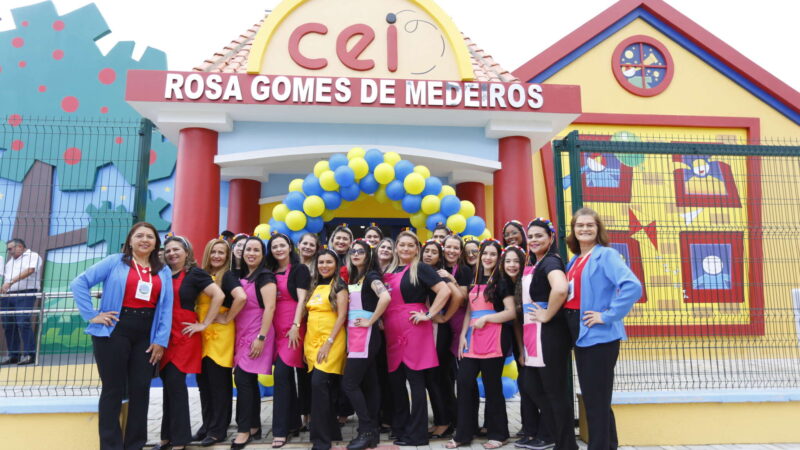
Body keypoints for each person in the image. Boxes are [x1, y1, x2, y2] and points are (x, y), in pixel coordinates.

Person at [71, 222, 173, 450]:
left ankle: (135, 444)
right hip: (114, 330)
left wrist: (160, 340)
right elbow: (79, 283)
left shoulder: (162, 270)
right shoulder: (115, 262)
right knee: (113, 389)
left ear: (156, 242)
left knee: (140, 389)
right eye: (139, 236)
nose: (145, 240)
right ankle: (111, 446)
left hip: (146, 334)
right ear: (130, 240)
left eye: (150, 236)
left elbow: (166, 307)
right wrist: (92, 315)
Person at [564, 208, 641, 450]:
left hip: (600, 335)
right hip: (580, 333)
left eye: (590, 225)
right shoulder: (575, 260)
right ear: (573, 231)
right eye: (579, 225)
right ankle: (608, 444)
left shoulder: (606, 255)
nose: (584, 229)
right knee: (596, 397)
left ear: (598, 230)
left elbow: (632, 286)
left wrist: (607, 315)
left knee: (596, 398)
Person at [154, 235, 224, 450]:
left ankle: (180, 440)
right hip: (165, 334)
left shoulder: (195, 274)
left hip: (184, 335)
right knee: (168, 387)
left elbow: (218, 295)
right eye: (168, 250)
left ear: (187, 252)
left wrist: (203, 324)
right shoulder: (162, 274)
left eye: (176, 250)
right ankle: (166, 437)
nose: (172, 253)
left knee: (176, 385)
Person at [383, 230, 449, 446]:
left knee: (416, 382)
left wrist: (429, 315)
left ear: (416, 249)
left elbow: (444, 291)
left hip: (415, 329)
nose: (405, 249)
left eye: (410, 245)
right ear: (396, 248)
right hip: (393, 331)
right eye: (401, 245)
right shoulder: (388, 270)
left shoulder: (420, 268)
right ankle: (401, 428)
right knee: (396, 382)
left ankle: (418, 434)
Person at [449, 240, 516, 449]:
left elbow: (511, 312)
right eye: (484, 253)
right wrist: (463, 335)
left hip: (494, 337)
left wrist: (487, 319)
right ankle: (463, 434)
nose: (488, 257)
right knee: (465, 382)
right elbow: (469, 310)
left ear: (499, 258)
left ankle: (499, 433)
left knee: (492, 386)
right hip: (472, 337)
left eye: (493, 254)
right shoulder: (474, 279)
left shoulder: (503, 282)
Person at [517, 218, 574, 450]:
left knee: (554, 392)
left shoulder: (551, 261)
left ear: (551, 238)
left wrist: (548, 314)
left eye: (539, 236)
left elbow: (561, 288)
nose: (533, 240)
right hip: (534, 335)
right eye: (530, 237)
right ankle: (552, 434)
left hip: (548, 334)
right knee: (533, 386)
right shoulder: (537, 262)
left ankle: (566, 444)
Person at [193, 238, 247, 447]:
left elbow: (241, 297)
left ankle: (218, 430)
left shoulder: (228, 276)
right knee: (203, 384)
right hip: (201, 335)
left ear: (228, 256)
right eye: (213, 252)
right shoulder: (202, 274)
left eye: (221, 253)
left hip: (219, 336)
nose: (217, 256)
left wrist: (227, 317)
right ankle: (207, 425)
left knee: (219, 385)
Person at [342, 239, 391, 450]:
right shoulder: (356, 276)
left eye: (361, 251)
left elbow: (386, 297)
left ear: (369, 255)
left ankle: (366, 429)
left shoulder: (371, 276)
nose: (356, 254)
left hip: (366, 336)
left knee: (350, 383)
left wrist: (371, 320)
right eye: (353, 251)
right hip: (355, 335)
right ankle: (372, 433)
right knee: (370, 384)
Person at [232, 237, 277, 449]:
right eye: (248, 249)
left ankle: (243, 431)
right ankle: (254, 426)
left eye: (256, 250)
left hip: (257, 332)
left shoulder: (265, 276)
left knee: (243, 380)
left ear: (262, 254)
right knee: (247, 382)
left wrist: (261, 337)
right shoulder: (242, 275)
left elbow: (270, 308)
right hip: (241, 333)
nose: (251, 253)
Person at [267, 232, 312, 448]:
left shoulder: (300, 269)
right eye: (274, 246)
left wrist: (296, 325)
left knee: (282, 375)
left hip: (292, 328)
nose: (278, 249)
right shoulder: (269, 272)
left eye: (282, 245)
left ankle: (280, 430)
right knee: (284, 377)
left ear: (289, 247)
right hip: (273, 330)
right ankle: (293, 422)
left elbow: (303, 299)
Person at [303, 249, 349, 450]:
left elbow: (341, 316)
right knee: (324, 388)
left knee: (319, 384)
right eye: (321, 262)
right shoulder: (313, 285)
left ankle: (321, 440)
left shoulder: (339, 285)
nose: (324, 265)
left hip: (332, 341)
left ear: (336, 264)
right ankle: (331, 431)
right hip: (312, 342)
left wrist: (329, 342)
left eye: (329, 262)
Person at [501, 220, 540, 445]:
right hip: (521, 337)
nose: (511, 236)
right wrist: (521, 349)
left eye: (515, 233)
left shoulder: (532, 269)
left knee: (535, 385)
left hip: (537, 334)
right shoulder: (507, 277)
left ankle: (539, 428)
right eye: (507, 235)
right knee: (525, 383)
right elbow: (515, 318)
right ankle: (528, 426)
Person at [419, 239, 454, 439]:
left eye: (434, 252)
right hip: (428, 330)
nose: (429, 254)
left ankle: (444, 422)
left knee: (436, 377)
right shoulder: (423, 270)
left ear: (440, 257)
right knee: (432, 378)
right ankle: (442, 419)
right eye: (426, 251)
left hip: (438, 330)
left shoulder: (439, 274)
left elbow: (456, 296)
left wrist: (440, 316)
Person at [1, 238, 43, 365]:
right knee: (8, 324)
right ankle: (14, 355)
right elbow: (7, 280)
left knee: (23, 321)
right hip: (8, 296)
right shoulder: (9, 263)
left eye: (10, 249)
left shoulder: (32, 256)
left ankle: (30, 354)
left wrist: (10, 282)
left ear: (19, 246)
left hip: (25, 293)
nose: (9, 252)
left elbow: (30, 270)